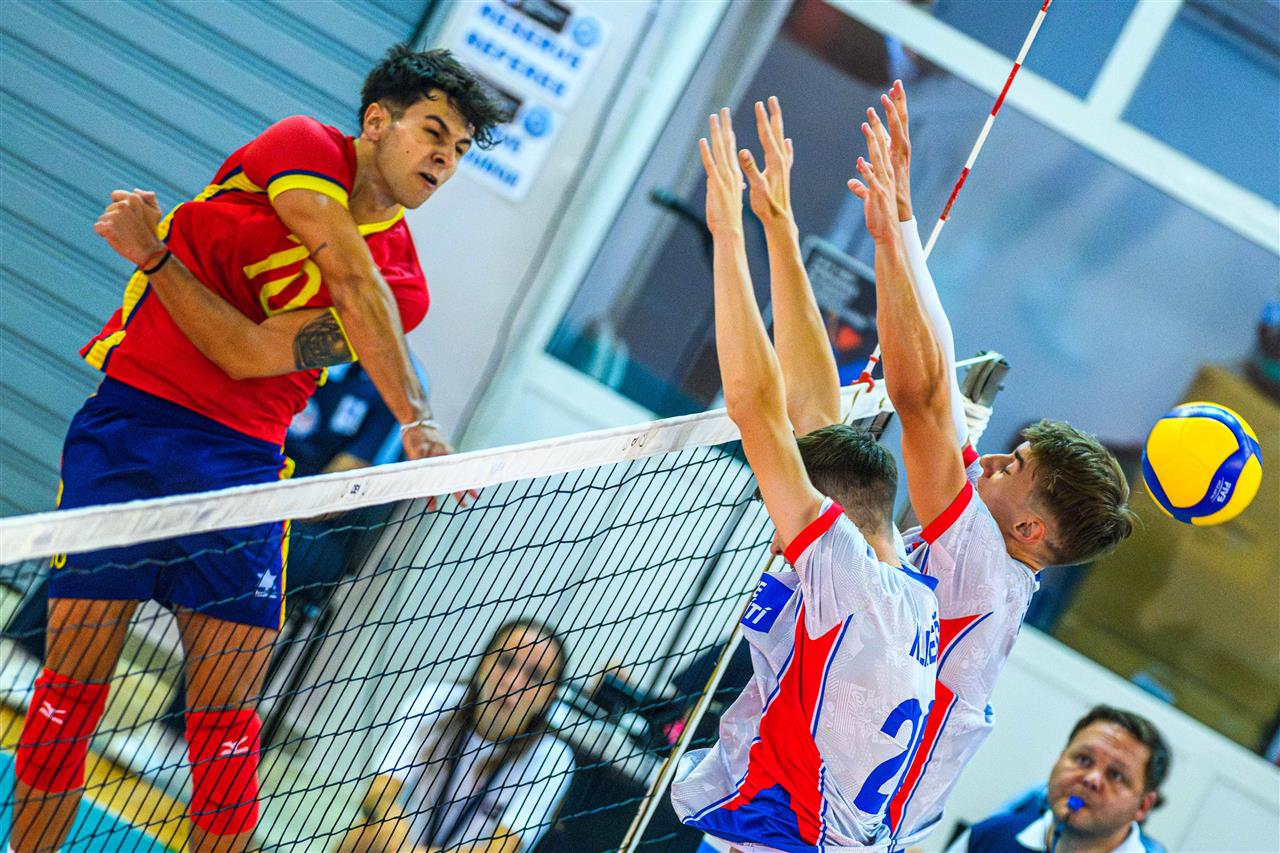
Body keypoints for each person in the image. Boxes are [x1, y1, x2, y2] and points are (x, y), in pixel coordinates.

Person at [12, 45, 504, 853]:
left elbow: (244, 354)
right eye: (432, 131)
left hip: (242, 472)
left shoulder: (404, 291)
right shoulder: (299, 147)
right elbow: (347, 275)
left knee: (225, 739)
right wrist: (416, 418)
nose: (444, 158)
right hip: (129, 435)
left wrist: (157, 258)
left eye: (458, 148)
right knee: (68, 699)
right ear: (376, 123)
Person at [841, 84, 1136, 846]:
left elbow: (920, 399)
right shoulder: (1004, 565)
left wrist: (891, 236)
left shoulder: (979, 559)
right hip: (855, 808)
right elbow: (940, 383)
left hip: (830, 819)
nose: (994, 457)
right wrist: (904, 224)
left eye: (1015, 465)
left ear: (1032, 527)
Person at [669, 103, 942, 851]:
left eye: (782, 515)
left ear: (832, 518)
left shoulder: (847, 577)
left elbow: (757, 410)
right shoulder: (899, 583)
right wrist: (779, 226)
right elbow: (816, 412)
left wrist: (728, 237)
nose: (776, 532)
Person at [337, 619, 575, 853]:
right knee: (363, 835)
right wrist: (393, 828)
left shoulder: (552, 758)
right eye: (506, 662)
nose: (513, 683)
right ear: (483, 664)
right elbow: (379, 790)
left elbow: (504, 848)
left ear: (550, 696)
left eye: (534, 676)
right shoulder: (436, 701)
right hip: (406, 846)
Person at [945, 705, 1170, 853]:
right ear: (1059, 760)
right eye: (1083, 759)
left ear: (1143, 806)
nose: (1091, 779)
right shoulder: (990, 836)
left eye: (1116, 775)